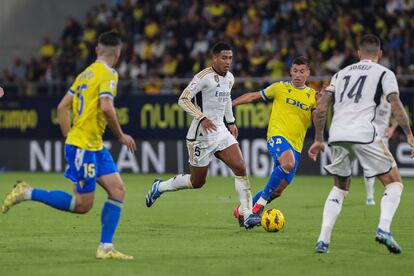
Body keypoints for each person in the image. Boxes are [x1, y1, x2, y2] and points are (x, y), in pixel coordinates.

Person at [2, 32, 137, 260]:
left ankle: (106, 248)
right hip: (83, 147)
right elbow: (106, 107)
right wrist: (121, 135)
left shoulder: (85, 74)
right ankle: (27, 192)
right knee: (83, 205)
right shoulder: (109, 74)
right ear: (118, 53)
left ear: (96, 50)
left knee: (118, 190)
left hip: (92, 145)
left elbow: (62, 107)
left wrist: (68, 138)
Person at [308, 34, 414, 254]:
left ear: (358, 54)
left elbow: (320, 108)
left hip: (337, 133)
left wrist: (319, 138)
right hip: (364, 132)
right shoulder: (384, 72)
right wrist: (409, 134)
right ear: (380, 54)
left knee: (339, 186)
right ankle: (384, 229)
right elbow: (395, 103)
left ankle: (323, 241)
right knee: (394, 182)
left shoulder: (340, 73)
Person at [145, 42, 253, 222]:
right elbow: (183, 99)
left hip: (221, 131)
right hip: (200, 136)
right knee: (197, 182)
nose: (228, 62)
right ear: (215, 58)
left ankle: (246, 213)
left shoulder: (230, 78)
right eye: (224, 58)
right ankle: (160, 186)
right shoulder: (203, 77)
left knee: (240, 167)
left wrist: (231, 121)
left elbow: (226, 99)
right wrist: (202, 117)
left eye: (230, 58)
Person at [232, 56, 317, 229]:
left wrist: (322, 106)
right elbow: (254, 95)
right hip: (277, 136)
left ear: (308, 73)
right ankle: (258, 207)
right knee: (288, 162)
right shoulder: (280, 88)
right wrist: (231, 104)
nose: (298, 75)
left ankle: (241, 211)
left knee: (278, 190)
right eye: (295, 71)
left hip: (296, 145)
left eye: (302, 71)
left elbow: (317, 120)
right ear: (290, 71)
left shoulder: (313, 96)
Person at [364, 95, 398, 205]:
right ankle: (370, 196)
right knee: (369, 166)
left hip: (384, 138)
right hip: (370, 136)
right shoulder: (372, 95)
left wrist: (392, 127)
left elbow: (398, 113)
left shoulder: (391, 98)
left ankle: (389, 191)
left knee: (388, 165)